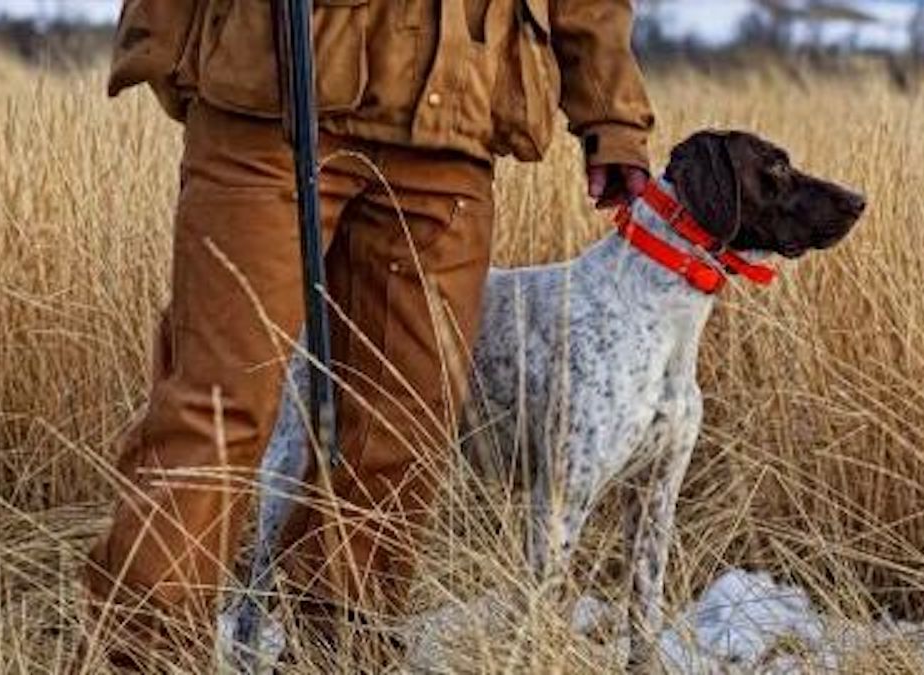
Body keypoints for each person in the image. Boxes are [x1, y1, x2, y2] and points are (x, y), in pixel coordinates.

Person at [83, 0, 654, 660]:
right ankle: (141, 653)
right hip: (276, 99)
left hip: (451, 122)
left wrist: (612, 115)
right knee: (217, 405)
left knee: (402, 421)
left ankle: (339, 648)